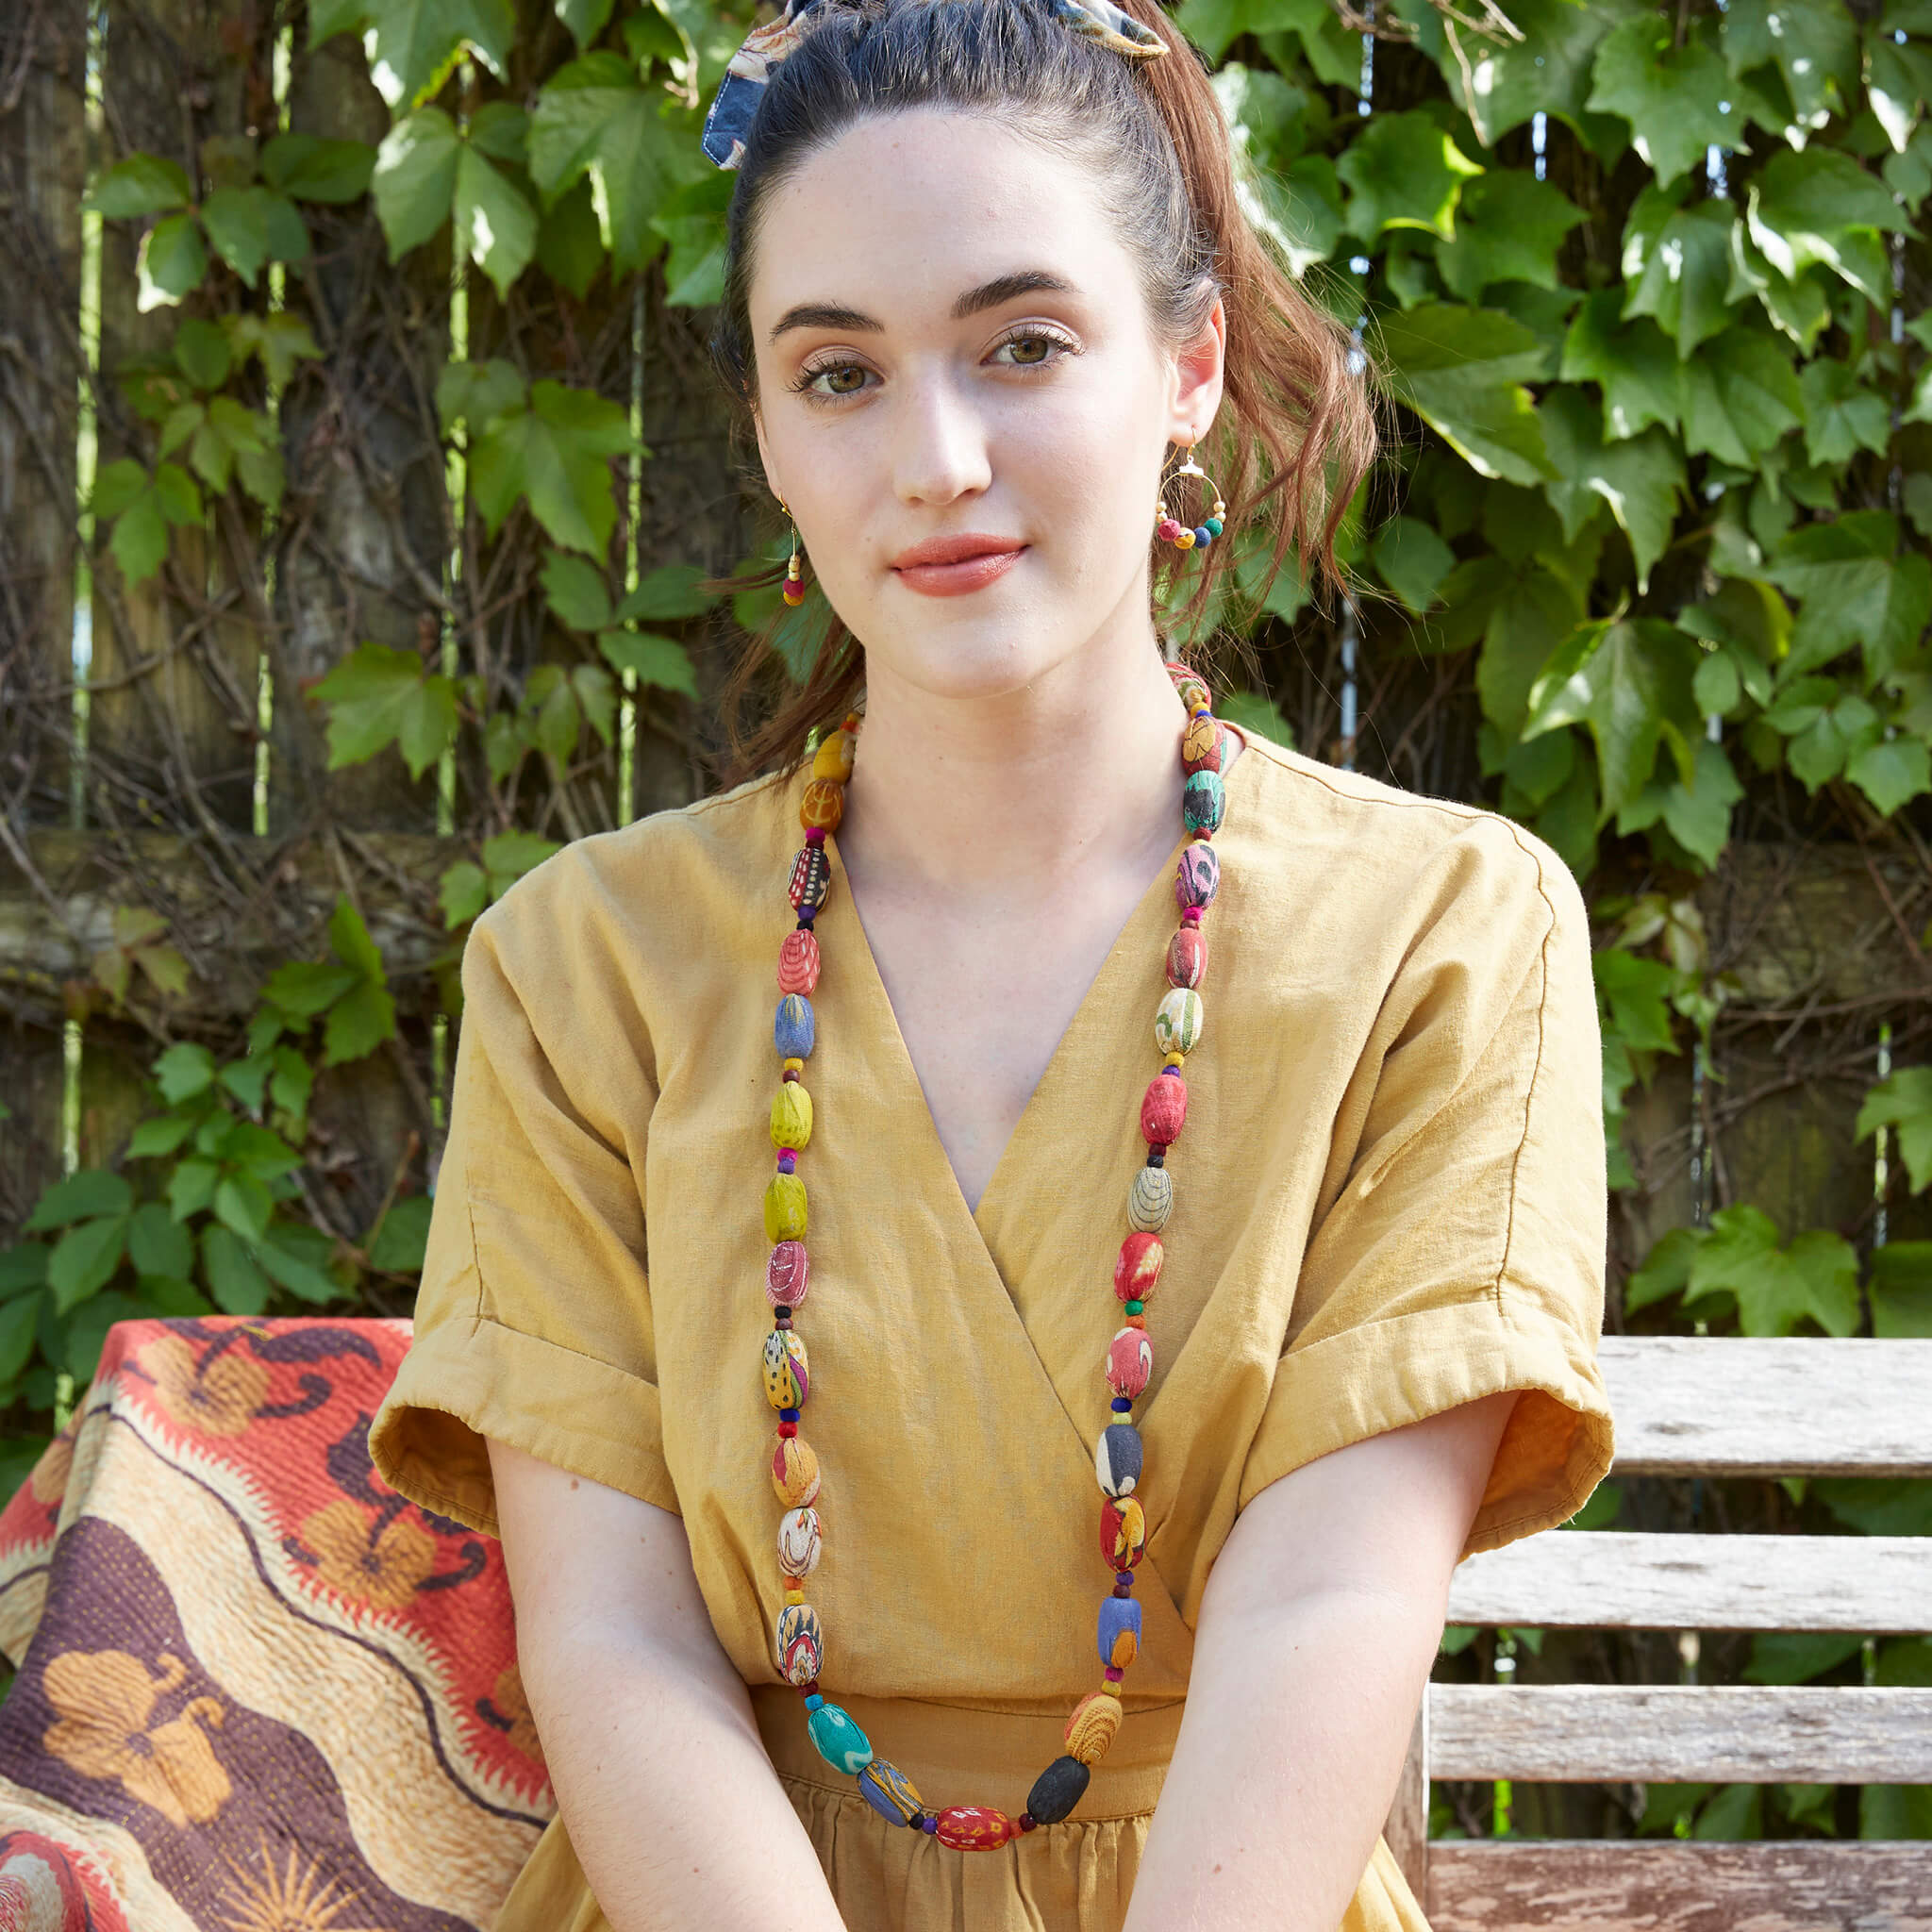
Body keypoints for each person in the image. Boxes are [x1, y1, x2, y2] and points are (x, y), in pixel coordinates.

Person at [368, 0, 1615, 1926]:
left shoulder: (1442, 935)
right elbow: (609, 1638)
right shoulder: (581, 965)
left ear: (1186, 363)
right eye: (841, 373)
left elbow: (1333, 1598)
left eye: (1020, 345)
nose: (935, 457)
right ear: (770, 432)